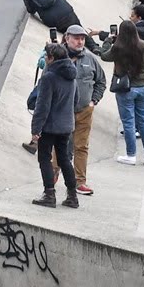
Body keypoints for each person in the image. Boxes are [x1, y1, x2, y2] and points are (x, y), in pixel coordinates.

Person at [98, 19, 144, 165]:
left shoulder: (118, 48)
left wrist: (108, 40)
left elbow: (104, 55)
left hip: (126, 88)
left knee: (129, 122)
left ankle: (131, 155)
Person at [30, 41, 79, 208]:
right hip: (66, 125)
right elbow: (76, 101)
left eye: (46, 56)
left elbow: (42, 106)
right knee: (64, 158)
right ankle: (72, 196)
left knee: (44, 157)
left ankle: (49, 194)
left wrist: (36, 129)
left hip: (50, 126)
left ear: (51, 58)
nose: (44, 58)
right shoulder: (72, 75)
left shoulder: (48, 77)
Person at [62, 24, 107, 194]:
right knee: (59, 146)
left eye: (82, 38)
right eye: (76, 38)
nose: (80, 42)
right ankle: (52, 176)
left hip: (84, 112)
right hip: (62, 113)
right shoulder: (58, 57)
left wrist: (93, 101)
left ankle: (79, 181)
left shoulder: (90, 60)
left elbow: (101, 81)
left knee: (81, 147)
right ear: (67, 39)